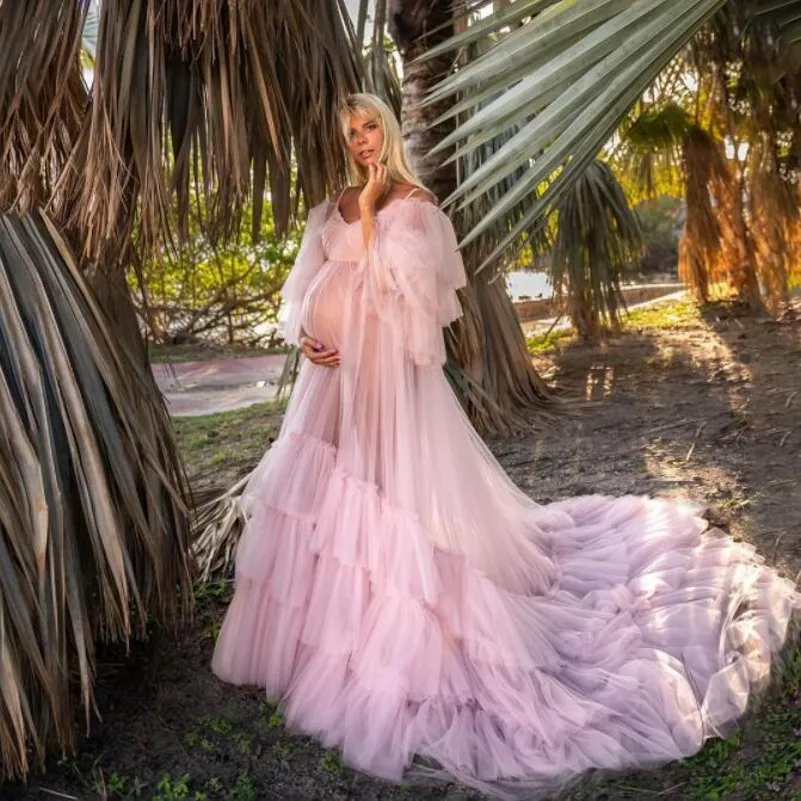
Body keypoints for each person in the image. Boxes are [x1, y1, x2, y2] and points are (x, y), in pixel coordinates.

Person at [212, 93, 798, 798]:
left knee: (376, 491)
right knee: (319, 490)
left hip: (382, 381)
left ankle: (386, 626)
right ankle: (314, 634)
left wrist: (369, 212)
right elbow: (304, 286)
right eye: (350, 133)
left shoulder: (415, 206)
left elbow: (408, 304)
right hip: (326, 379)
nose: (362, 141)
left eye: (370, 128)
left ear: (388, 131)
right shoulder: (327, 206)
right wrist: (307, 336)